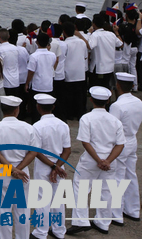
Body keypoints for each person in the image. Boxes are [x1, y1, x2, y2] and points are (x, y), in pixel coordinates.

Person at [68, 86, 125, 235]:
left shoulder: (86, 118)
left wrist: (99, 160)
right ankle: (103, 222)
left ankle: (81, 221)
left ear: (91, 99)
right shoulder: (115, 120)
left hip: (91, 159)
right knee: (106, 190)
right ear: (107, 101)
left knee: (81, 188)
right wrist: (107, 161)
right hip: (110, 159)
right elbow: (120, 144)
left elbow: (85, 142)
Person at [0, 95, 37, 239]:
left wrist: (11, 169)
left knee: (3, 212)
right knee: (22, 211)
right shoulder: (28, 128)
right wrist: (18, 169)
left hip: (2, 174)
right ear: (17, 110)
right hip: (22, 174)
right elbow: (33, 152)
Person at [29, 94, 70, 239]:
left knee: (42, 199)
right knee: (58, 199)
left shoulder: (36, 127)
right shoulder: (63, 125)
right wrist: (57, 166)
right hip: (60, 166)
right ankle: (59, 231)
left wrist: (52, 166)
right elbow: (67, 150)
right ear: (53, 107)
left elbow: (37, 152)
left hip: (43, 167)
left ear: (38, 107)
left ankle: (41, 232)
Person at [109, 71, 142, 224]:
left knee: (117, 177)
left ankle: (116, 214)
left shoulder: (117, 105)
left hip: (120, 143)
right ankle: (133, 210)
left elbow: (112, 129)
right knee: (131, 175)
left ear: (118, 85)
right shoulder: (138, 102)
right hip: (132, 139)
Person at [25, 34, 57, 121]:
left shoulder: (34, 56)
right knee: (47, 109)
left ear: (37, 42)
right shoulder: (52, 55)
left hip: (37, 85)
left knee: (36, 110)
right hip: (48, 85)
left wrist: (27, 83)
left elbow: (31, 72)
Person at [63, 22, 90, 120]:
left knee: (69, 95)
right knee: (79, 94)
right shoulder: (81, 42)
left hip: (69, 72)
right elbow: (85, 57)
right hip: (80, 72)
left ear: (64, 32)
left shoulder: (65, 44)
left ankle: (70, 114)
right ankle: (79, 113)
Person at [88, 14, 123, 89]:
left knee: (96, 88)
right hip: (109, 67)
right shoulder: (111, 34)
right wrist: (116, 32)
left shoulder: (95, 35)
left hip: (98, 68)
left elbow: (89, 46)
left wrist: (88, 34)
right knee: (106, 87)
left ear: (93, 24)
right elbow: (120, 44)